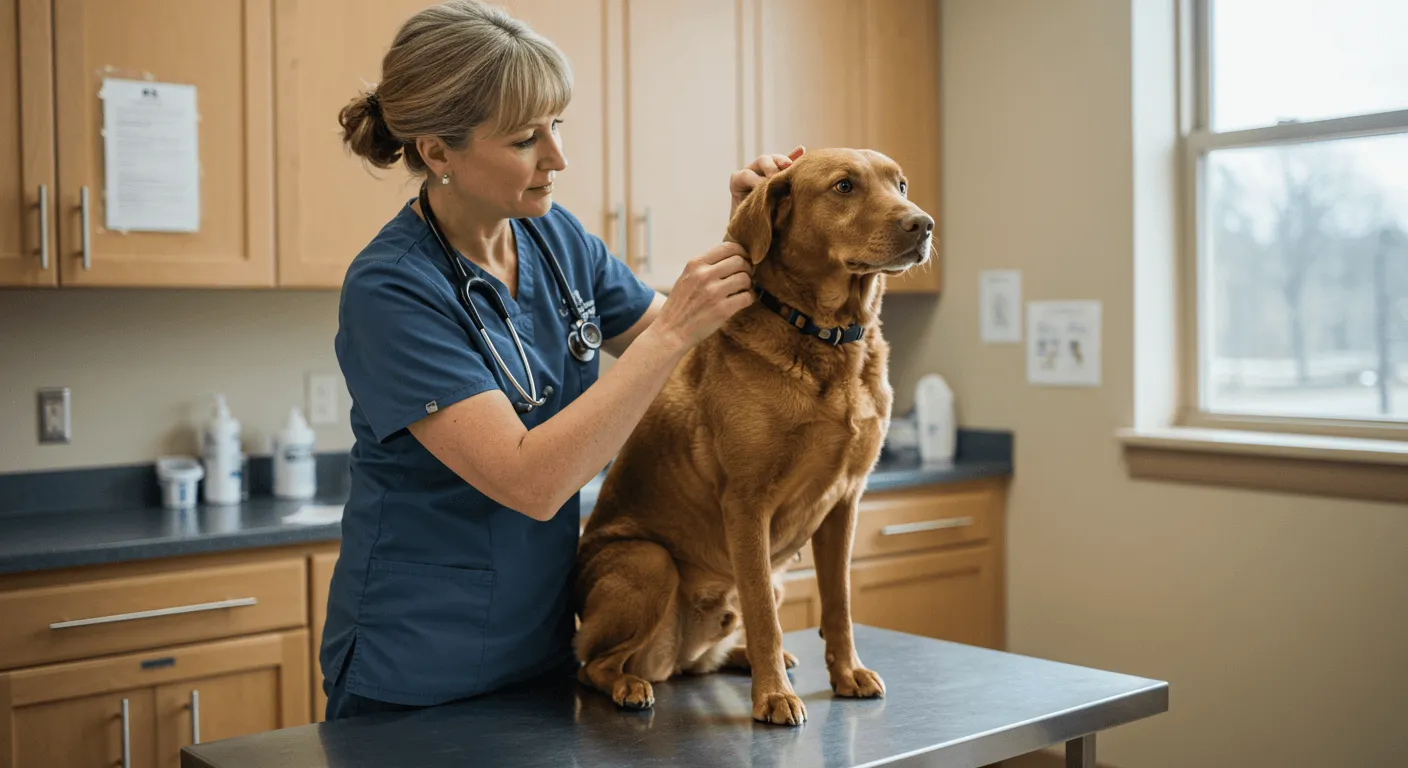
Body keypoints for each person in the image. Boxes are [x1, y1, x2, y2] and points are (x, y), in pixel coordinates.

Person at [319, 0, 802, 720]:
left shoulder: (553, 237)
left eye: (558, 126)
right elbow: (532, 480)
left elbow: (696, 360)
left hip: (542, 648)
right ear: (436, 151)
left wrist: (753, 228)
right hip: (415, 664)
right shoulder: (391, 288)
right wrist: (672, 331)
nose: (558, 157)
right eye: (524, 139)